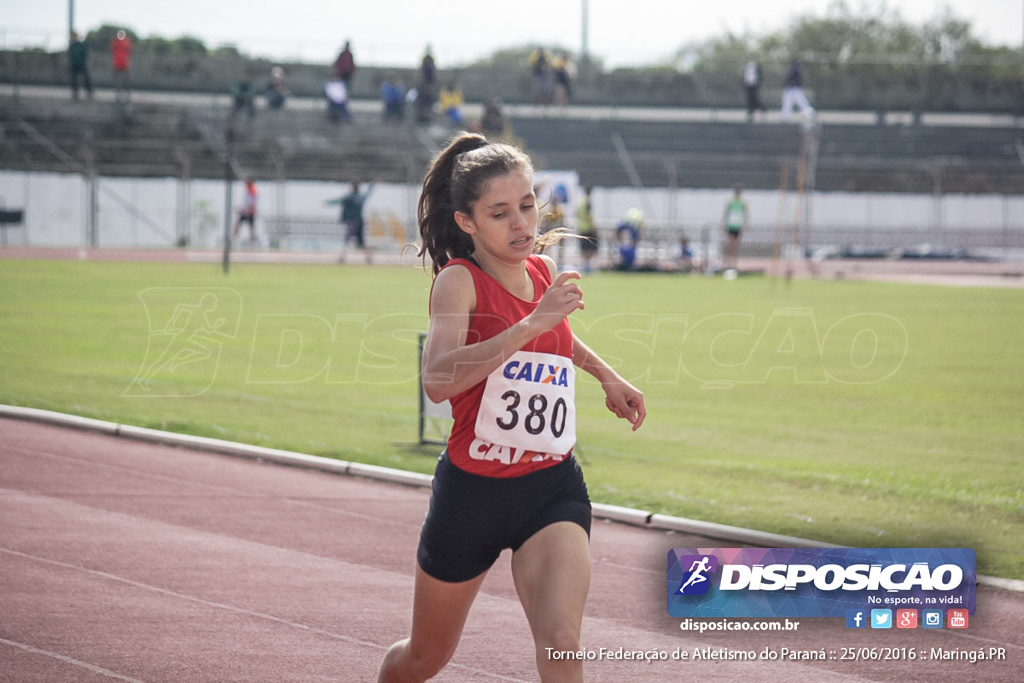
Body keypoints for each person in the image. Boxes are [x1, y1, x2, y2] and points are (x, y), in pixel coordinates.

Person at [378, 132, 646, 683]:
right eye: (501, 213)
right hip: (471, 495)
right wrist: (532, 323)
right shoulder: (459, 282)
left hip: (550, 488)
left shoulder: (543, 273)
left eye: (528, 206)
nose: (523, 224)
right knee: (424, 659)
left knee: (563, 644)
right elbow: (437, 380)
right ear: (468, 222)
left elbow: (559, 337)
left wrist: (606, 374)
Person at [327, 181, 374, 263]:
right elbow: (368, 193)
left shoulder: (349, 197)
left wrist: (328, 202)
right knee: (361, 242)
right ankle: (368, 257)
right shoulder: (361, 197)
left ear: (352, 187)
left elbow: (338, 201)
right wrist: (372, 185)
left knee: (347, 239)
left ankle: (342, 257)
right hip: (360, 221)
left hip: (353, 222)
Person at [722, 183, 748, 272]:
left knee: (736, 245)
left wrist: (746, 223)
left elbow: (745, 213)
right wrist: (724, 223)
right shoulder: (731, 202)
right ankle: (727, 262)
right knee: (730, 244)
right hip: (730, 225)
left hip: (738, 225)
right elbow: (726, 212)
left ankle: (734, 263)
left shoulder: (742, 202)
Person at [780, 56, 815, 122]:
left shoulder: (795, 68)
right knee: (788, 103)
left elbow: (792, 79)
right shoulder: (794, 68)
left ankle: (810, 115)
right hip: (792, 89)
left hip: (795, 89)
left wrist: (788, 85)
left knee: (802, 103)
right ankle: (785, 117)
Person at [576, 186, 598, 272]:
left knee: (584, 247)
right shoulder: (588, 202)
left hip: (581, 227)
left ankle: (585, 264)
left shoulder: (581, 202)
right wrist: (592, 226)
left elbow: (577, 213)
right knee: (590, 247)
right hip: (588, 227)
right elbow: (588, 215)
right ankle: (588, 265)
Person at [232, 177, 259, 245]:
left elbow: (251, 203)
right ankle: (234, 240)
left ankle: (252, 242)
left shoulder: (252, 190)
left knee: (251, 228)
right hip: (245, 212)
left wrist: (247, 209)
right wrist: (240, 209)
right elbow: (246, 203)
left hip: (250, 212)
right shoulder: (248, 191)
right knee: (238, 226)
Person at [68, 31, 93, 100]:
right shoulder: (72, 46)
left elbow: (85, 54)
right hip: (74, 64)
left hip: (81, 64)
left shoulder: (81, 45)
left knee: (86, 78)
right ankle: (75, 93)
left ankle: (89, 92)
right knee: (74, 79)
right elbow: (70, 55)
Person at [110, 30, 133, 101]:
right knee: (117, 80)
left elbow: (129, 48)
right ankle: (118, 93)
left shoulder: (126, 42)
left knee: (126, 80)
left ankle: (127, 94)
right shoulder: (116, 43)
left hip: (124, 64)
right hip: (117, 64)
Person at [743, 54, 764, 122]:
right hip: (749, 85)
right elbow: (746, 76)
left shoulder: (757, 67)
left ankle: (762, 109)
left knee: (754, 100)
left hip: (754, 86)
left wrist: (757, 85)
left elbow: (760, 77)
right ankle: (751, 115)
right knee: (750, 100)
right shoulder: (748, 66)